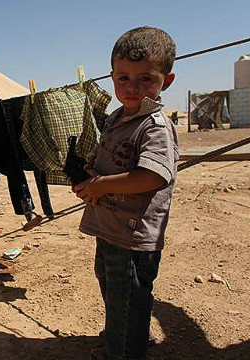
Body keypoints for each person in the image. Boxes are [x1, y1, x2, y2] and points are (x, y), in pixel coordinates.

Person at [72, 26, 178, 360]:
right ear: (112, 77)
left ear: (167, 81)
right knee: (113, 289)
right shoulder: (118, 117)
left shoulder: (155, 126)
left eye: (145, 79)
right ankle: (127, 335)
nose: (132, 88)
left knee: (127, 296)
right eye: (122, 78)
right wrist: (91, 180)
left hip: (133, 237)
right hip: (109, 228)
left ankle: (124, 351)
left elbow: (152, 176)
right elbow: (110, 164)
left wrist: (102, 186)